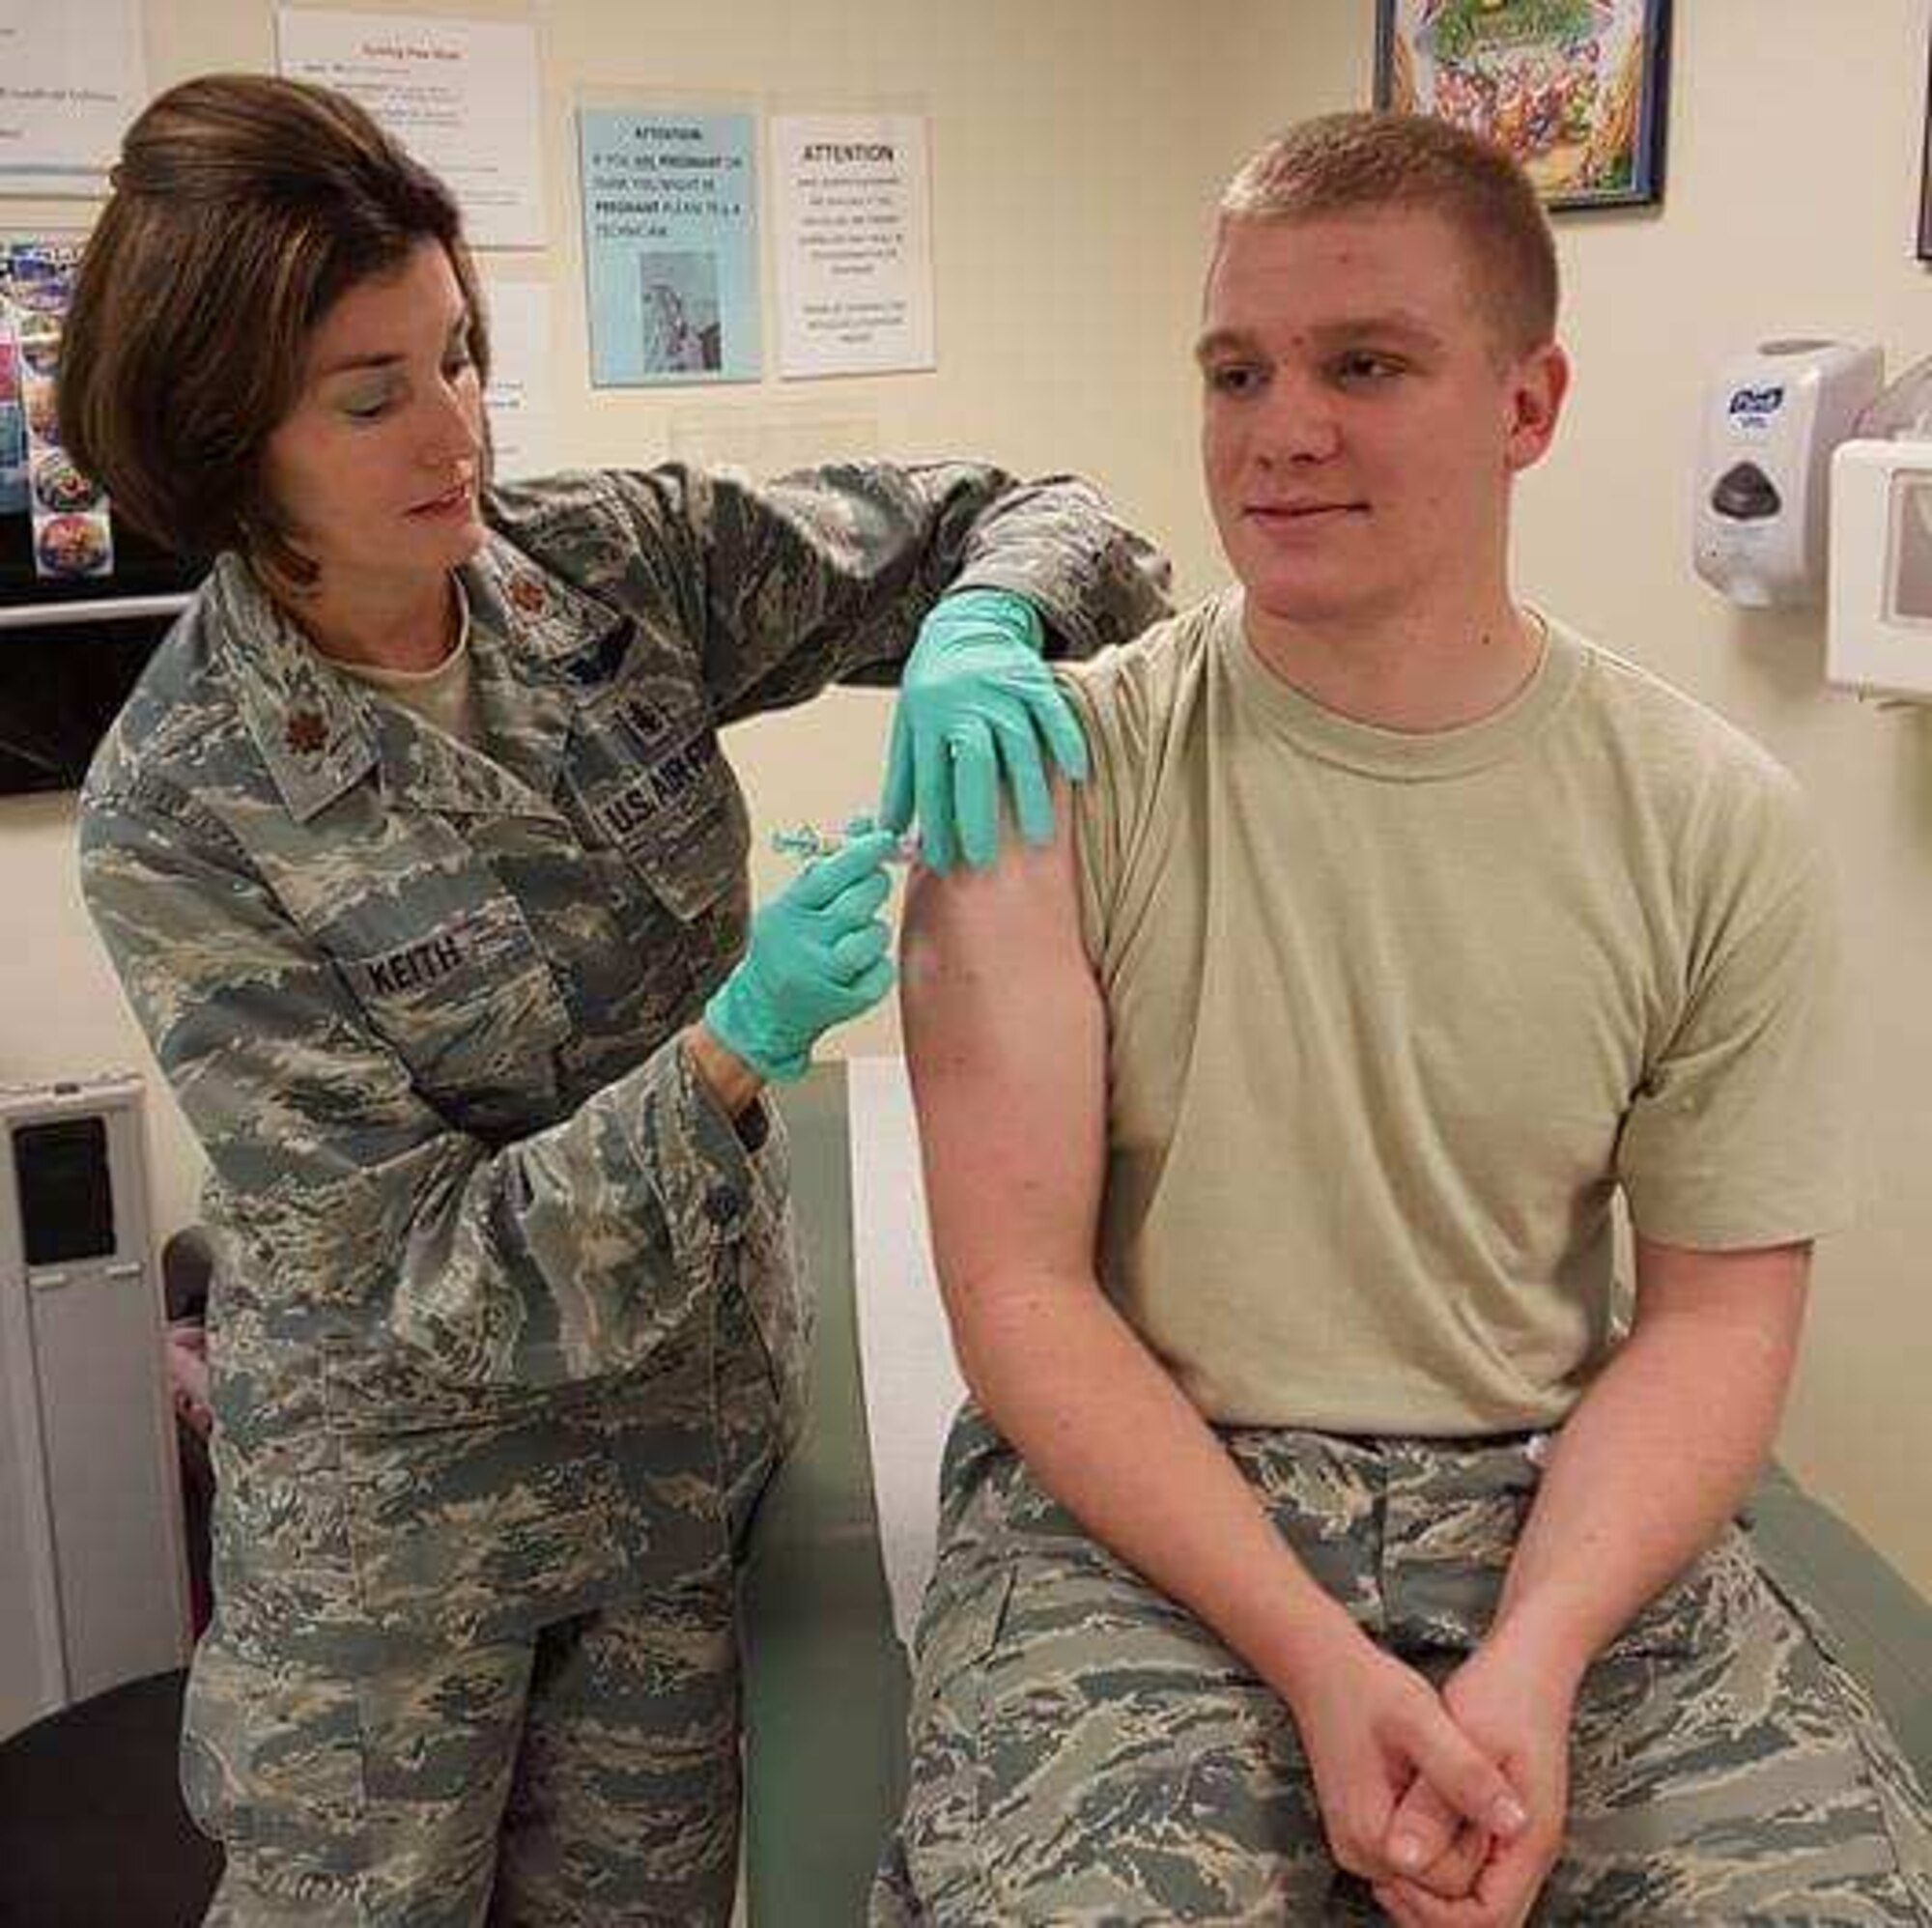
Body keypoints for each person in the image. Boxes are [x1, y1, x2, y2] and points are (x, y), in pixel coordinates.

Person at [62, 72, 1168, 1926]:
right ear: (226, 441)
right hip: (400, 1559)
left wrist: (985, 624)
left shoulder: (607, 573)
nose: (457, 432)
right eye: (373, 394)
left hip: (674, 1472)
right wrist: (727, 1056)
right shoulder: (179, 809)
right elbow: (419, 1273)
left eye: (462, 357)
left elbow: (1046, 512)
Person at [877, 111, 1932, 1926]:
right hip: (1149, 1511)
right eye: (1236, 369)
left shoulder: (1708, 822)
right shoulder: (1051, 788)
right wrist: (1314, 1656)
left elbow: (1709, 1322)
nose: (1281, 429)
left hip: (1547, 1498)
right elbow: (1024, 1298)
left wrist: (1537, 1656)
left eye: (1364, 364)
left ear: (1527, 408)